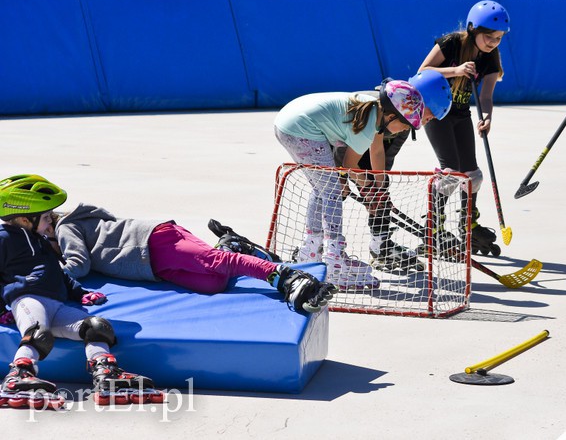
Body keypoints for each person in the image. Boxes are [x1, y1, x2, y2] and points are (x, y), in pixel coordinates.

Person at [0, 174, 160, 408]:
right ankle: (18, 377)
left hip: (58, 305)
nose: (51, 221)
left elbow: (58, 273)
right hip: (28, 299)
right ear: (25, 219)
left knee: (97, 327)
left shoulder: (40, 240)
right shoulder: (4, 239)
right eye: (46, 217)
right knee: (38, 333)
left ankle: (106, 374)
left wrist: (80, 292)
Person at [273, 79, 430, 289]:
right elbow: (349, 165)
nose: (403, 130)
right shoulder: (367, 124)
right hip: (300, 128)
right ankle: (334, 259)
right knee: (332, 191)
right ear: (392, 116)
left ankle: (311, 250)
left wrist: (380, 190)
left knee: (322, 189)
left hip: (290, 122)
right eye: (405, 125)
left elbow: (377, 152)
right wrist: (369, 190)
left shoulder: (375, 111)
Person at [40, 204, 335, 315]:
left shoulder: (64, 228)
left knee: (216, 263)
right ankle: (232, 246)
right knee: (213, 284)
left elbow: (78, 264)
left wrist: (49, 272)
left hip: (153, 241)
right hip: (150, 266)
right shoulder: (64, 229)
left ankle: (285, 277)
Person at [331, 70, 453, 272]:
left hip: (362, 148)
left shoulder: (404, 122)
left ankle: (380, 246)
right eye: (431, 114)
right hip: (336, 142)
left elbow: (384, 157)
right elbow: (340, 148)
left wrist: (380, 191)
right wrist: (343, 179)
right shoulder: (382, 108)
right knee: (333, 193)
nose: (430, 120)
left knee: (379, 189)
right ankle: (321, 245)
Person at [417, 0, 510, 256]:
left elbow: (487, 96)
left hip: (460, 114)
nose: (493, 43)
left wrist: (487, 117)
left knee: (473, 175)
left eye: (499, 38)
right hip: (436, 111)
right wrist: (456, 70)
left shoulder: (490, 58)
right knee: (450, 173)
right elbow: (423, 71)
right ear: (472, 29)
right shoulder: (451, 43)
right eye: (489, 37)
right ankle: (433, 227)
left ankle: (468, 223)